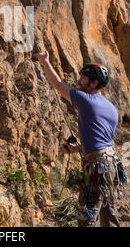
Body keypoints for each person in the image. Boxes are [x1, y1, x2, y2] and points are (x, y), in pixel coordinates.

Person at [38, 52, 126, 227]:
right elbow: (102, 141)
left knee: (86, 219)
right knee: (109, 218)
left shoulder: (85, 100)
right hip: (112, 165)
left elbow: (57, 84)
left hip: (96, 169)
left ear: (94, 82)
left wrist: (45, 62)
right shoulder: (112, 109)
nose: (78, 82)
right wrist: (76, 148)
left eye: (83, 78)